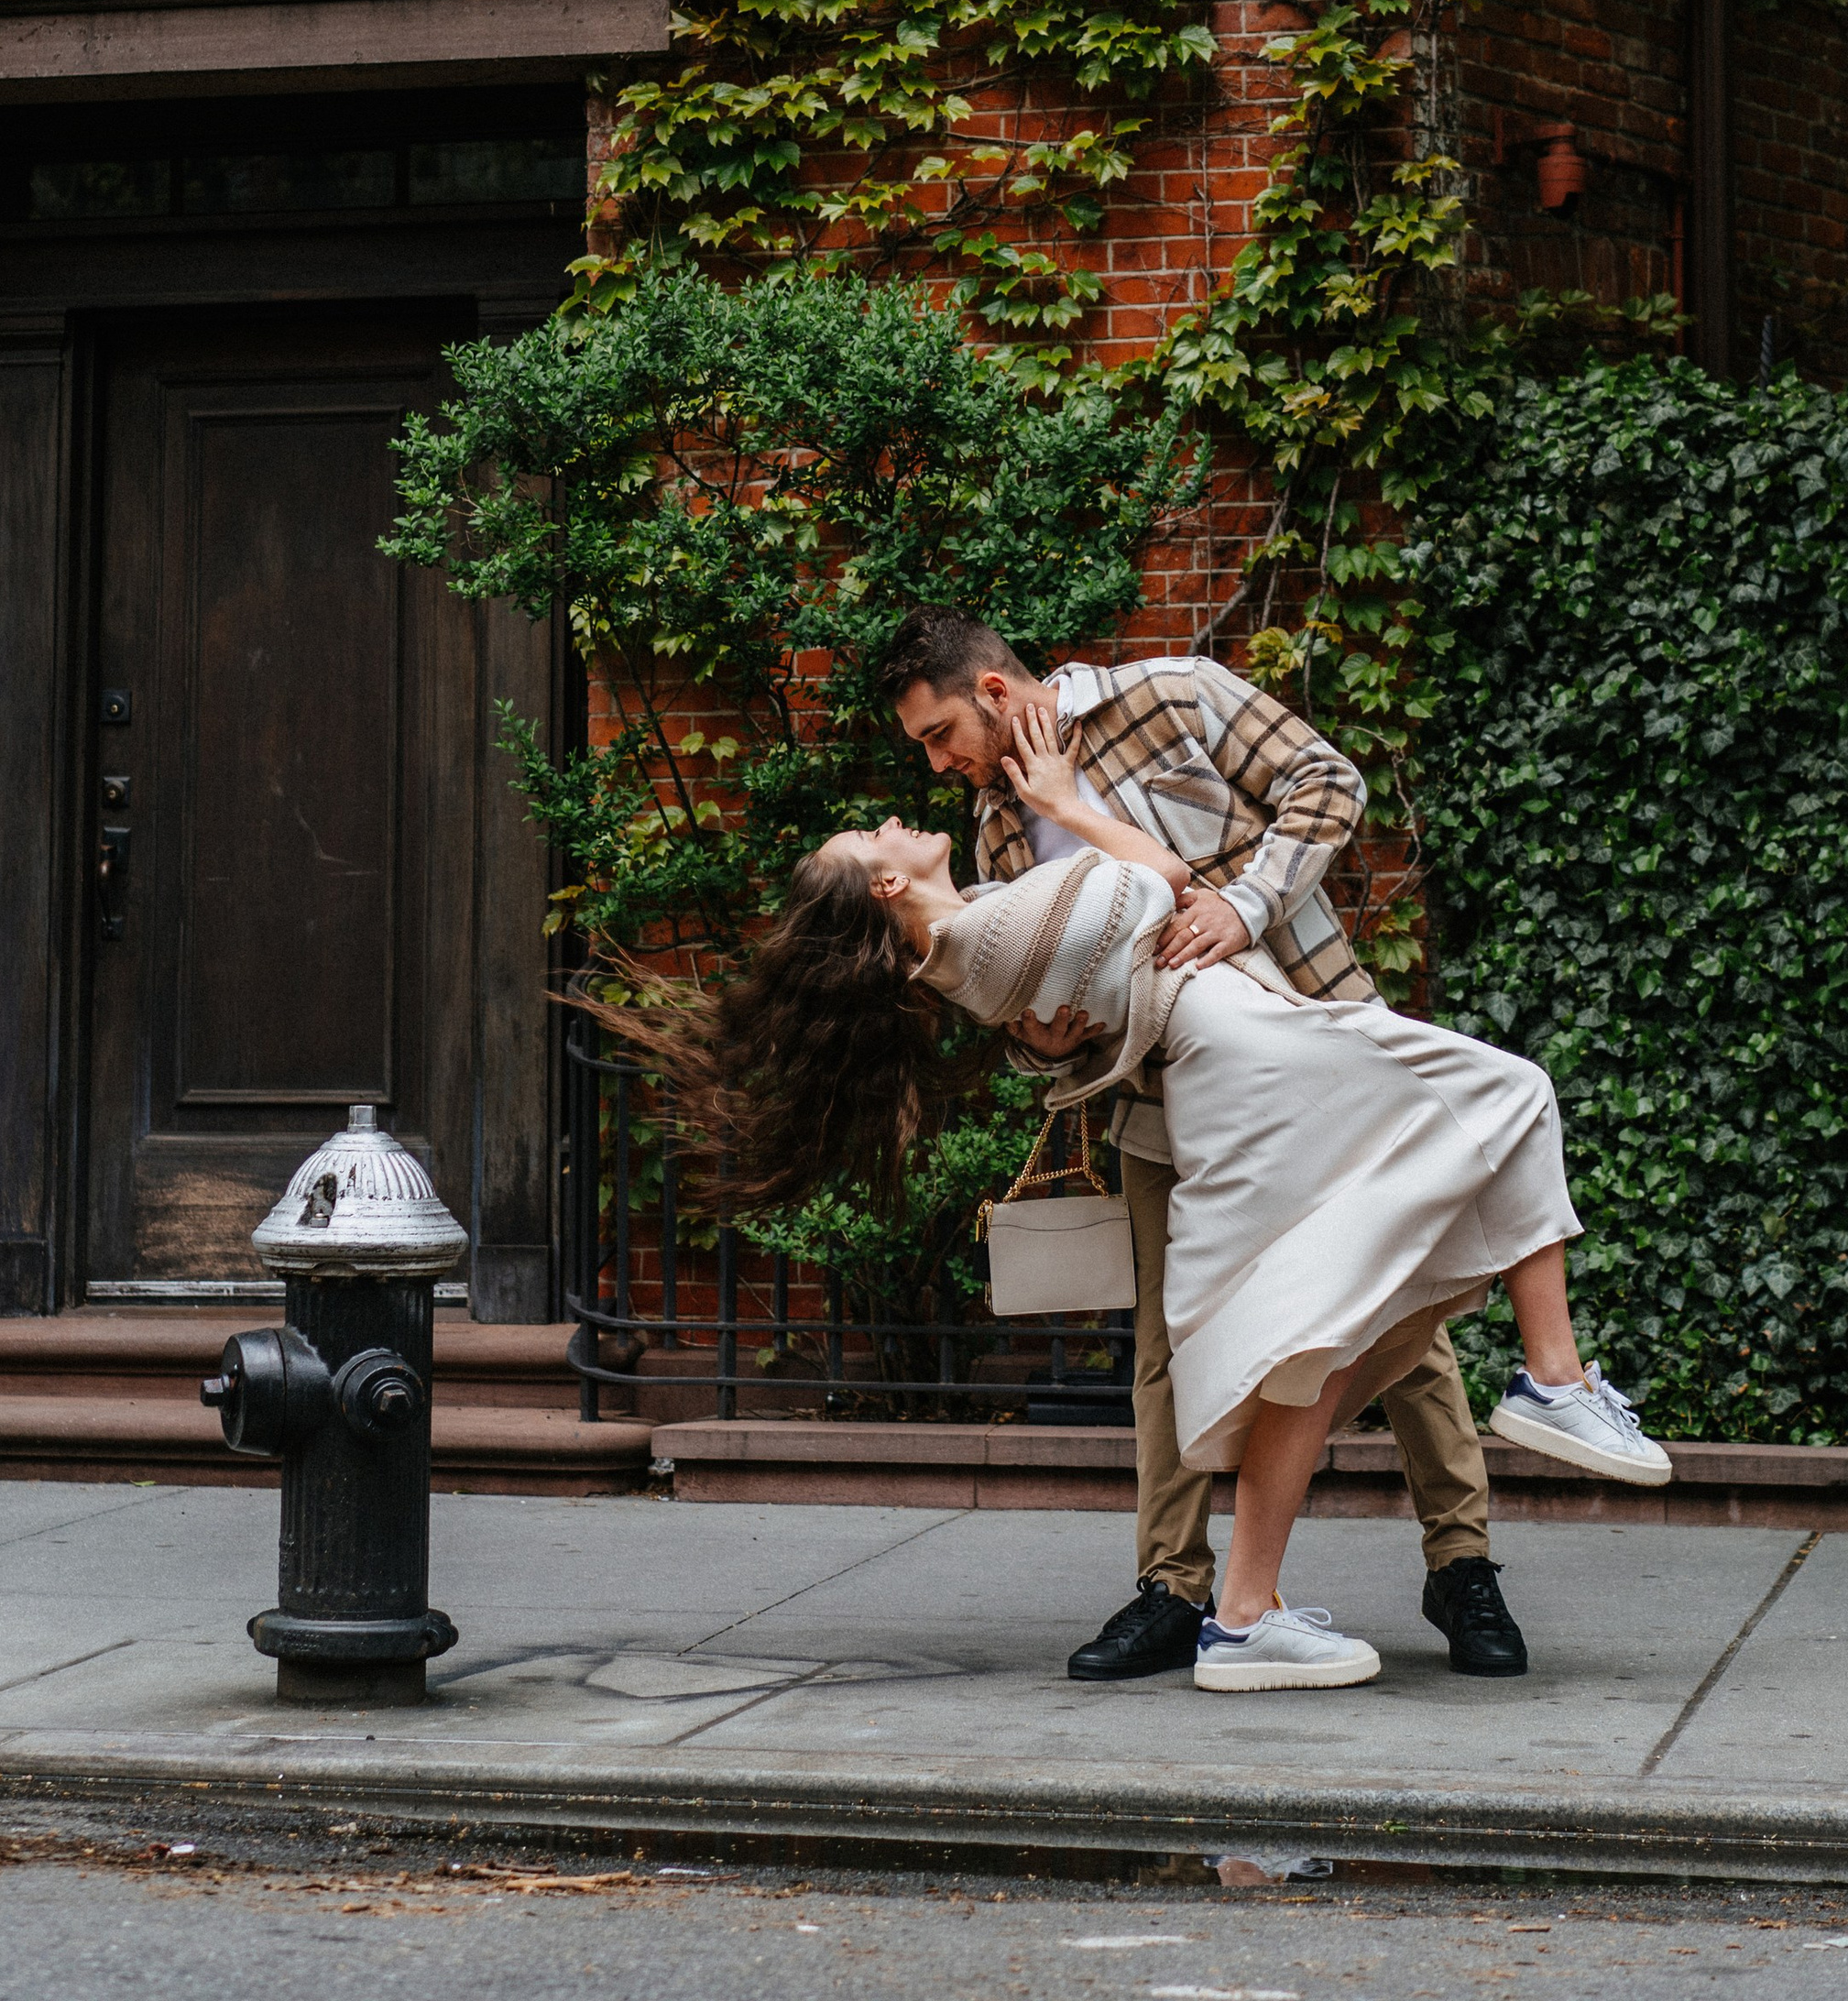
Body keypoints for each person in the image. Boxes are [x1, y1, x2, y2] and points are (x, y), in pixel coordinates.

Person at [670, 788, 1668, 1695]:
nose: (892, 816)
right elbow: (1162, 875)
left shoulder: (971, 936)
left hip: (1233, 1068)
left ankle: (1242, 1617)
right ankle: (1554, 1380)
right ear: (888, 884)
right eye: (872, 832)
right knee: (1513, 1092)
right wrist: (1064, 800)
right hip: (1256, 1057)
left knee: (1314, 1344)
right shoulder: (991, 926)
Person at [879, 610, 1646, 1681]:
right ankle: (1176, 1590)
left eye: (940, 731)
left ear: (998, 693)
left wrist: (1242, 905)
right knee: (1170, 1341)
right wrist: (1047, 1041)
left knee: (1403, 1310)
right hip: (1164, 1095)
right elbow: (1039, 998)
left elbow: (1328, 784)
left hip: (1319, 1035)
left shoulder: (1169, 695)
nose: (939, 760)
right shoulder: (997, 828)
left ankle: (1461, 1566)